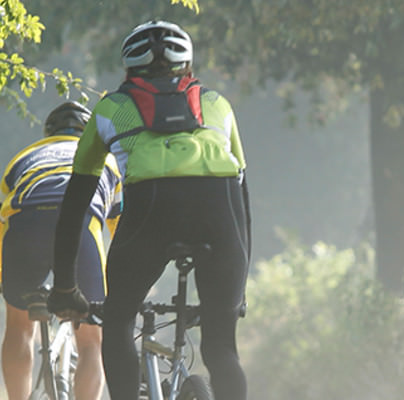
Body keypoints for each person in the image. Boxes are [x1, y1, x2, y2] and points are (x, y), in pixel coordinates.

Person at [45, 20, 252, 400]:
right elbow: (241, 195)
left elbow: (75, 206)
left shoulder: (110, 109)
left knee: (120, 320)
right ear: (188, 67)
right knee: (221, 347)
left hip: (151, 209)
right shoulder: (217, 104)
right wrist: (237, 287)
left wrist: (64, 287)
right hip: (220, 211)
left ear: (128, 68)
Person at [0, 101, 122, 400]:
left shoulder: (25, 157)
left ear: (48, 133)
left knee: (19, 325)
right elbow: (121, 228)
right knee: (91, 340)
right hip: (80, 227)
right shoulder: (105, 158)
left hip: (25, 224)